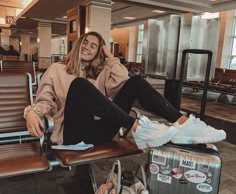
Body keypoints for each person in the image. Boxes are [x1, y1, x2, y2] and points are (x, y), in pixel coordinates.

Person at [24, 31, 226, 149]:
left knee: (136, 82)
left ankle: (183, 123)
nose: (88, 47)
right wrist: (32, 111)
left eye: (94, 46)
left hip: (100, 131)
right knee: (79, 84)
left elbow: (124, 80)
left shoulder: (101, 73)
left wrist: (110, 58)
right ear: (78, 45)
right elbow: (45, 101)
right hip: (73, 134)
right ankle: (138, 128)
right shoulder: (57, 69)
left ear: (97, 53)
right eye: (85, 42)